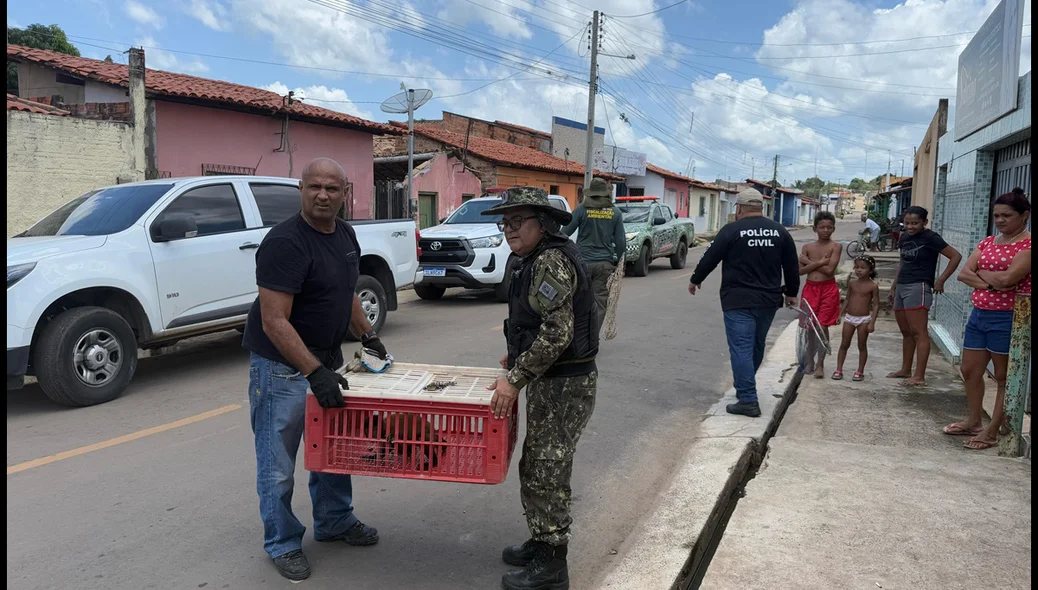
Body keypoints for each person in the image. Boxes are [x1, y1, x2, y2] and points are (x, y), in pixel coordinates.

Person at [241, 158, 388, 581]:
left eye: (332, 189)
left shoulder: (344, 233)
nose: (323, 195)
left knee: (334, 452)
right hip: (281, 370)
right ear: (301, 190)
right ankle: (283, 542)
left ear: (346, 193)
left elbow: (346, 293)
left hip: (325, 361)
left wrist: (367, 336)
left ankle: (334, 520)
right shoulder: (286, 242)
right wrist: (313, 373)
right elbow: (274, 321)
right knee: (277, 465)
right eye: (314, 187)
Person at [482, 187, 599, 590]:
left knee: (548, 468)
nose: (509, 229)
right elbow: (535, 323)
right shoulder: (529, 258)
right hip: (551, 380)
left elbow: (557, 333)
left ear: (543, 223)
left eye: (518, 221)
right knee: (536, 465)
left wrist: (514, 380)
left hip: (565, 383)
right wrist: (516, 357)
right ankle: (541, 541)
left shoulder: (550, 261)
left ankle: (553, 566)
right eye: (505, 221)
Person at [688, 188, 800, 417]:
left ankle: (748, 398)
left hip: (737, 300)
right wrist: (791, 292)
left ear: (738, 208)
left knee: (741, 348)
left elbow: (710, 256)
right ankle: (744, 387)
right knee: (756, 346)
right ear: (761, 207)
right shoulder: (780, 232)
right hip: (768, 300)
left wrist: (695, 280)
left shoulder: (731, 230)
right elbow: (791, 265)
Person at [947, 189, 1031, 450]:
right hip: (979, 315)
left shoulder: (1028, 246)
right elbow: (964, 274)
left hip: (1009, 319)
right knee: (969, 370)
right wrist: (994, 284)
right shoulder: (987, 243)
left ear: (1025, 216)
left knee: (1004, 378)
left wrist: (983, 275)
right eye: (997, 215)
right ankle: (974, 421)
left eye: (1007, 215)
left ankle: (993, 430)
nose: (1000, 220)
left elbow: (1010, 280)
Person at [886, 205, 962, 387]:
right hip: (903, 285)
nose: (910, 227)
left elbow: (956, 256)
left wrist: (941, 280)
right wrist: (893, 286)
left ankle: (919, 376)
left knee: (919, 332)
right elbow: (903, 262)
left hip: (918, 286)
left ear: (924, 222)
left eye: (915, 223)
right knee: (906, 331)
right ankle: (905, 370)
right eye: (907, 223)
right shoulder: (904, 237)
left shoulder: (931, 238)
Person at [562, 176, 626, 328]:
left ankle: (577, 335)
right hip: (604, 264)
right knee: (599, 301)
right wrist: (622, 263)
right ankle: (591, 339)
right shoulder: (615, 213)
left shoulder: (581, 210)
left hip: (581, 264)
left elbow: (564, 233)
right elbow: (620, 241)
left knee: (577, 300)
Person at [798, 211, 843, 378]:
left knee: (822, 327)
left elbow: (830, 270)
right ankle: (809, 361)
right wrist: (819, 263)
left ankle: (820, 364)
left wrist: (810, 262)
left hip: (828, 289)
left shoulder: (835, 246)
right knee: (809, 328)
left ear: (833, 229)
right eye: (822, 227)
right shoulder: (808, 247)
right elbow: (801, 272)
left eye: (829, 227)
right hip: (811, 289)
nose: (825, 230)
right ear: (814, 228)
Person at [833, 256, 880, 381]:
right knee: (844, 344)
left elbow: (876, 305)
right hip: (849, 318)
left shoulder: (873, 286)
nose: (859, 270)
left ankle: (860, 371)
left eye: (863, 268)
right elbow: (847, 299)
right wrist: (840, 314)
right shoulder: (852, 283)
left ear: (870, 270)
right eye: (857, 267)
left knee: (862, 345)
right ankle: (839, 369)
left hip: (863, 319)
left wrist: (872, 323)